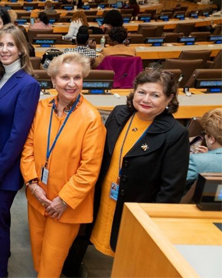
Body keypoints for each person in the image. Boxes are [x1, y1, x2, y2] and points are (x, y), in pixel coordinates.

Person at [80, 69, 189, 265]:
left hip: (135, 209)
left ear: (169, 98)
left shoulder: (175, 134)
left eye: (155, 95)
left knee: (127, 258)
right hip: (102, 197)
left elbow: (171, 188)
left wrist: (151, 224)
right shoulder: (119, 113)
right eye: (141, 92)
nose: (146, 99)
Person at [20, 52, 106, 278]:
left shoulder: (91, 119)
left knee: (52, 262)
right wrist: (32, 184)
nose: (71, 83)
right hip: (38, 197)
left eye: (77, 78)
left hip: (65, 206)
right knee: (38, 256)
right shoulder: (41, 108)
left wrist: (63, 200)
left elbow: (90, 169)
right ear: (53, 80)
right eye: (65, 77)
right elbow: (27, 147)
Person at [0, 25, 40, 277]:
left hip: (5, 168)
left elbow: (18, 134)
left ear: (22, 48)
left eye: (11, 45)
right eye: (0, 45)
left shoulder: (28, 85)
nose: (4, 50)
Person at [185, 108, 222, 190]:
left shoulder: (196, 161)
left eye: (205, 133)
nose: (204, 136)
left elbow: (175, 184)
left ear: (212, 139)